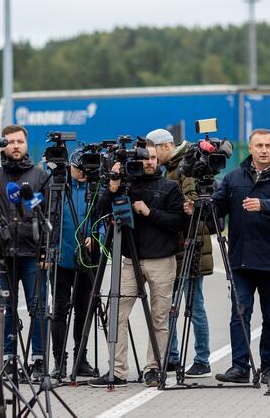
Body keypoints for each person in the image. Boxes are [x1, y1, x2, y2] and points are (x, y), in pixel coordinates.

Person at [206, 129, 270, 385]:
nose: (263, 150)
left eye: (268, 145)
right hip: (241, 259)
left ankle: (269, 367)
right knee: (240, 313)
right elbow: (218, 207)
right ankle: (240, 367)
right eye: (258, 145)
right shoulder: (234, 177)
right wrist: (203, 206)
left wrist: (264, 205)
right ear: (249, 148)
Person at [88, 141, 186, 388]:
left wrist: (149, 212)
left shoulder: (170, 187)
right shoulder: (123, 186)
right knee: (115, 313)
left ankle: (153, 368)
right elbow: (99, 212)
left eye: (153, 157)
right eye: (144, 158)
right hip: (130, 259)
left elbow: (179, 222)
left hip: (162, 260)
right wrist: (112, 187)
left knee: (159, 318)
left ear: (158, 159)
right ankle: (118, 371)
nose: (149, 162)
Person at [0, 125, 50, 378]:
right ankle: (9, 360)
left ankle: (39, 360)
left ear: (26, 143)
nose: (15, 146)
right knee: (6, 308)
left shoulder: (40, 176)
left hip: (33, 254)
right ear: (3, 145)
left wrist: (46, 251)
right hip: (2, 253)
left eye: (20, 141)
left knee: (39, 308)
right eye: (10, 142)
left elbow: (49, 215)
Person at [147, 128, 214, 378]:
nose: (150, 156)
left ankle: (202, 358)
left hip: (192, 244)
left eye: (154, 150)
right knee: (169, 305)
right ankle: (172, 357)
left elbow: (196, 202)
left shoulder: (187, 166)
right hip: (175, 246)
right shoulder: (171, 169)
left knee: (194, 305)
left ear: (166, 147)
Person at [49, 148, 97, 379]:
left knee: (84, 310)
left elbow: (103, 217)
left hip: (87, 261)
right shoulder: (57, 187)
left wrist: (96, 235)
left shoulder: (94, 187)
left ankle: (82, 358)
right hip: (61, 259)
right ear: (70, 166)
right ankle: (59, 360)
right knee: (59, 311)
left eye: (85, 170)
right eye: (78, 169)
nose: (82, 173)